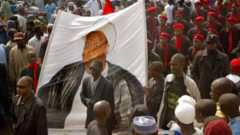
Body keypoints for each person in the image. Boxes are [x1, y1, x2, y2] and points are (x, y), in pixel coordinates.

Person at [39, 30, 144, 129]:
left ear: (106, 48)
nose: (91, 51)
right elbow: (44, 95)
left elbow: (130, 110)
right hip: (68, 129)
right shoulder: (67, 72)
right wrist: (88, 101)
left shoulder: (122, 77)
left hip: (104, 128)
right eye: (87, 46)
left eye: (96, 46)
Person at [158, 53, 201, 129]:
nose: (172, 67)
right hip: (168, 119)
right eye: (171, 64)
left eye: (175, 65)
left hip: (183, 120)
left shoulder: (190, 83)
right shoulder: (168, 78)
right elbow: (164, 101)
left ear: (182, 65)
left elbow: (197, 101)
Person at [191, 34, 230, 98]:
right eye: (208, 43)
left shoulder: (224, 57)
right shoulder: (199, 55)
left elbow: (227, 73)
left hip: (218, 88)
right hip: (203, 88)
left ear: (216, 44)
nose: (210, 45)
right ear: (206, 43)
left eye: (213, 43)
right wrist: (198, 83)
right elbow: (194, 72)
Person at [80, 60, 114, 133]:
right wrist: (86, 101)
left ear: (101, 70)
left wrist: (109, 124)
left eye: (95, 68)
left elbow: (110, 105)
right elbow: (82, 95)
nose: (92, 70)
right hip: (90, 118)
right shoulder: (86, 81)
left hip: (103, 121)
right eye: (91, 68)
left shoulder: (108, 84)